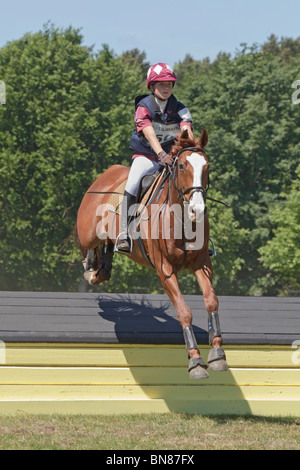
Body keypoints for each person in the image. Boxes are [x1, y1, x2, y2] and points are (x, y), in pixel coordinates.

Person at [116, 62, 193, 253]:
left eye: (169, 84)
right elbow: (150, 134)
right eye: (161, 84)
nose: (166, 88)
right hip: (147, 156)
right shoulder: (143, 107)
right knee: (132, 184)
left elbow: (186, 132)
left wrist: (186, 150)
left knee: (193, 185)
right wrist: (161, 154)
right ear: (152, 86)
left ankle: (198, 237)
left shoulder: (181, 109)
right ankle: (124, 234)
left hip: (172, 158)